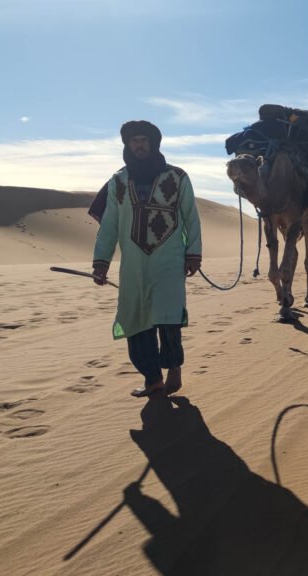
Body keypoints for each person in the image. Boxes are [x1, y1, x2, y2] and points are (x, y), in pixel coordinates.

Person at [92, 120, 202, 398]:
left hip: (169, 260)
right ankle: (153, 380)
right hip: (133, 265)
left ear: (153, 144)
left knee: (168, 318)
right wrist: (101, 261)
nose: (139, 145)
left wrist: (193, 253)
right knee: (136, 319)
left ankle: (174, 368)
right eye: (134, 141)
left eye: (144, 140)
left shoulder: (177, 177)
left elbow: (191, 215)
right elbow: (110, 223)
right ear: (127, 145)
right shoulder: (118, 181)